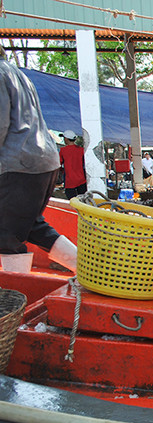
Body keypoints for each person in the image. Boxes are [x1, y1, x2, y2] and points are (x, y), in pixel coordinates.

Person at [0, 45, 77, 273]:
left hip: (19, 163)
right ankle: (93, 270)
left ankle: (15, 299)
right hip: (43, 161)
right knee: (31, 225)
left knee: (6, 234)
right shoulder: (18, 73)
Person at [58, 130, 87, 199]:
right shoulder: (81, 150)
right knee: (84, 200)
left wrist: (61, 170)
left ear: (66, 139)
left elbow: (58, 164)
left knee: (72, 201)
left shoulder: (63, 150)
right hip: (82, 180)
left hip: (69, 181)